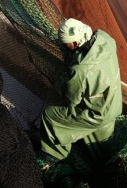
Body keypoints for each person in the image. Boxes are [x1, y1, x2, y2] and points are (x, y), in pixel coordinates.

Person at [39, 18, 122, 163]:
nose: (64, 46)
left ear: (76, 43)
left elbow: (71, 100)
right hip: (114, 106)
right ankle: (101, 158)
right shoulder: (106, 38)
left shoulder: (80, 70)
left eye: (66, 44)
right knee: (101, 149)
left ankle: (54, 155)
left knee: (50, 116)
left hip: (95, 115)